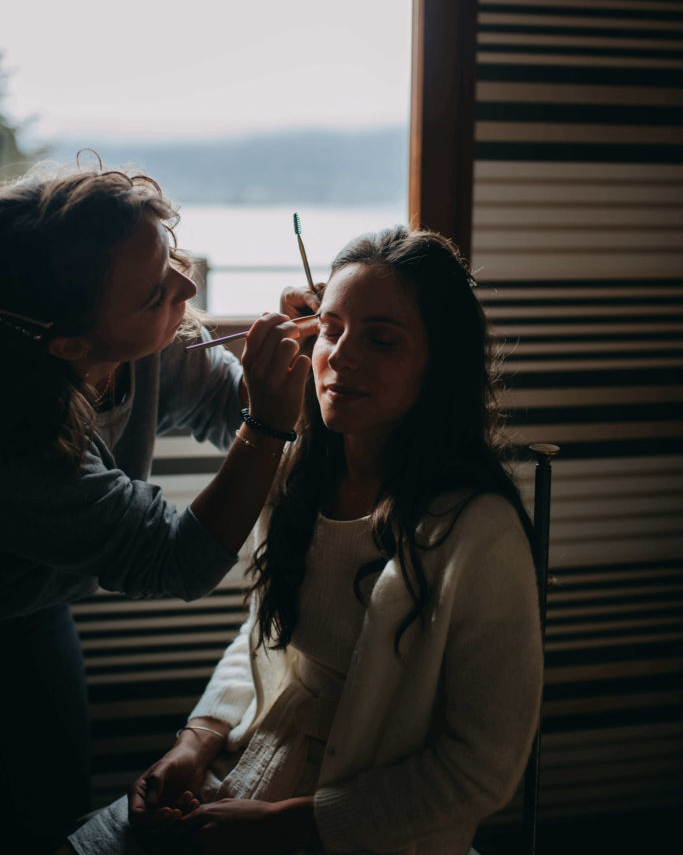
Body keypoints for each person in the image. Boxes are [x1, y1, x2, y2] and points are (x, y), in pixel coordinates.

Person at [64, 225, 543, 855]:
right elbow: (269, 633)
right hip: (245, 760)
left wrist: (294, 824)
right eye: (334, 328)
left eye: (382, 339)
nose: (342, 355)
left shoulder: (477, 533)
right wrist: (195, 739)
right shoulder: (297, 476)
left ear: (440, 363)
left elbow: (481, 767)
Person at [0, 158, 317, 853]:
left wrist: (310, 362)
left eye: (171, 255)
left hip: (33, 608)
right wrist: (267, 426)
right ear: (71, 346)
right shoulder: (19, 445)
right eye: (155, 294)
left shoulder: (145, 349)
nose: (188, 285)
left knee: (53, 805)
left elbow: (225, 397)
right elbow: (178, 563)